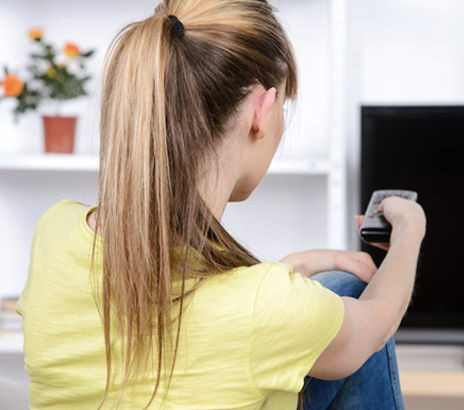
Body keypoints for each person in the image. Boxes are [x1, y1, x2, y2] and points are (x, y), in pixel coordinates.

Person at [16, 0, 426, 409]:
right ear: (261, 111)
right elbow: (374, 326)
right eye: (283, 106)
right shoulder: (266, 309)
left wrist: (291, 270)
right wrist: (409, 232)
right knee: (350, 290)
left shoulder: (55, 232)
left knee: (333, 290)